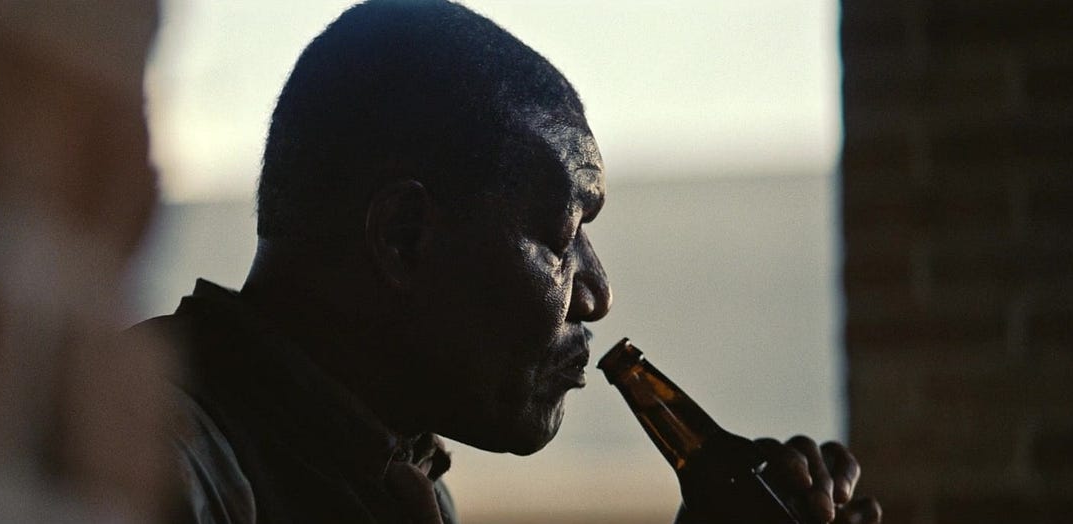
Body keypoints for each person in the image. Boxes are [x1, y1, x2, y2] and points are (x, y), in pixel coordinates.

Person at [134, 1, 881, 522]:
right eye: (564, 235)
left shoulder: (394, 479)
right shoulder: (144, 467)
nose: (597, 295)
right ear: (404, 235)